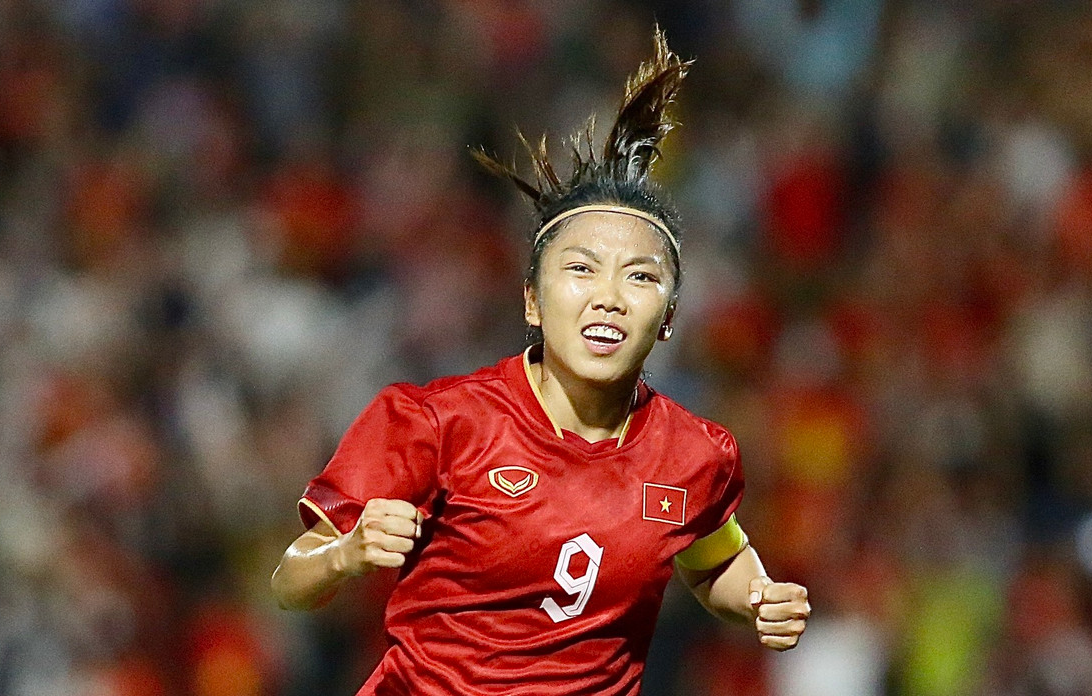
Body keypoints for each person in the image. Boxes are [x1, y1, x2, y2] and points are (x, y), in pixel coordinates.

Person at [271, 29, 810, 695]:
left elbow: (713, 562)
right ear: (532, 299)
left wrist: (758, 597)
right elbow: (289, 581)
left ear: (670, 316)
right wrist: (346, 554)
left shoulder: (694, 456)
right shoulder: (437, 423)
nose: (609, 296)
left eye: (640, 277)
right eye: (581, 269)